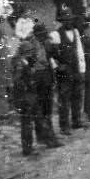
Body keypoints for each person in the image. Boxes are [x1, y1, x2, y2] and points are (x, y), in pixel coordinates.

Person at [11, 15, 61, 155]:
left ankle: (45, 139)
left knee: (44, 111)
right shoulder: (23, 47)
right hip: (32, 82)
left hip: (41, 78)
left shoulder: (41, 42)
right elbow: (20, 70)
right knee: (35, 115)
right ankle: (43, 140)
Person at [48, 6, 86, 133]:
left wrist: (82, 69)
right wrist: (57, 67)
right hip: (64, 71)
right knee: (64, 98)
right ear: (62, 21)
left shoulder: (75, 32)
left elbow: (80, 51)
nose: (68, 22)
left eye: (70, 20)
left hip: (75, 68)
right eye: (66, 20)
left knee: (77, 95)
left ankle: (76, 121)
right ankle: (64, 126)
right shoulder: (55, 35)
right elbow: (50, 55)